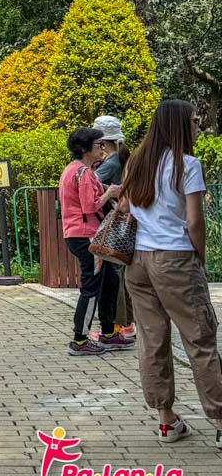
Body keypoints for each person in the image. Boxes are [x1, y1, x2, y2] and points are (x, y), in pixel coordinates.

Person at [122, 100, 222, 446]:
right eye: (194, 121)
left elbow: (126, 208)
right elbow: (194, 221)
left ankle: (166, 421)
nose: (197, 127)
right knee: (200, 339)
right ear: (180, 126)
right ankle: (221, 420)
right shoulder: (187, 165)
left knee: (152, 341)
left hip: (138, 262)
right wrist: (200, 257)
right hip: (175, 259)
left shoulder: (135, 162)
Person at [58, 128, 131, 356]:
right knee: (91, 288)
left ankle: (108, 333)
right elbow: (90, 206)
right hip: (87, 235)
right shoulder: (83, 173)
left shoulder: (74, 170)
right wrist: (109, 193)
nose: (102, 148)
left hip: (79, 234)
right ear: (86, 147)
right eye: (99, 144)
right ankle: (80, 339)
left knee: (110, 281)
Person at [93, 115, 135, 338]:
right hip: (128, 222)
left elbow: (88, 183)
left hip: (113, 223)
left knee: (113, 273)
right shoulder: (125, 158)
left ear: (102, 141)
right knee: (122, 271)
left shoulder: (110, 163)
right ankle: (129, 322)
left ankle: (118, 326)